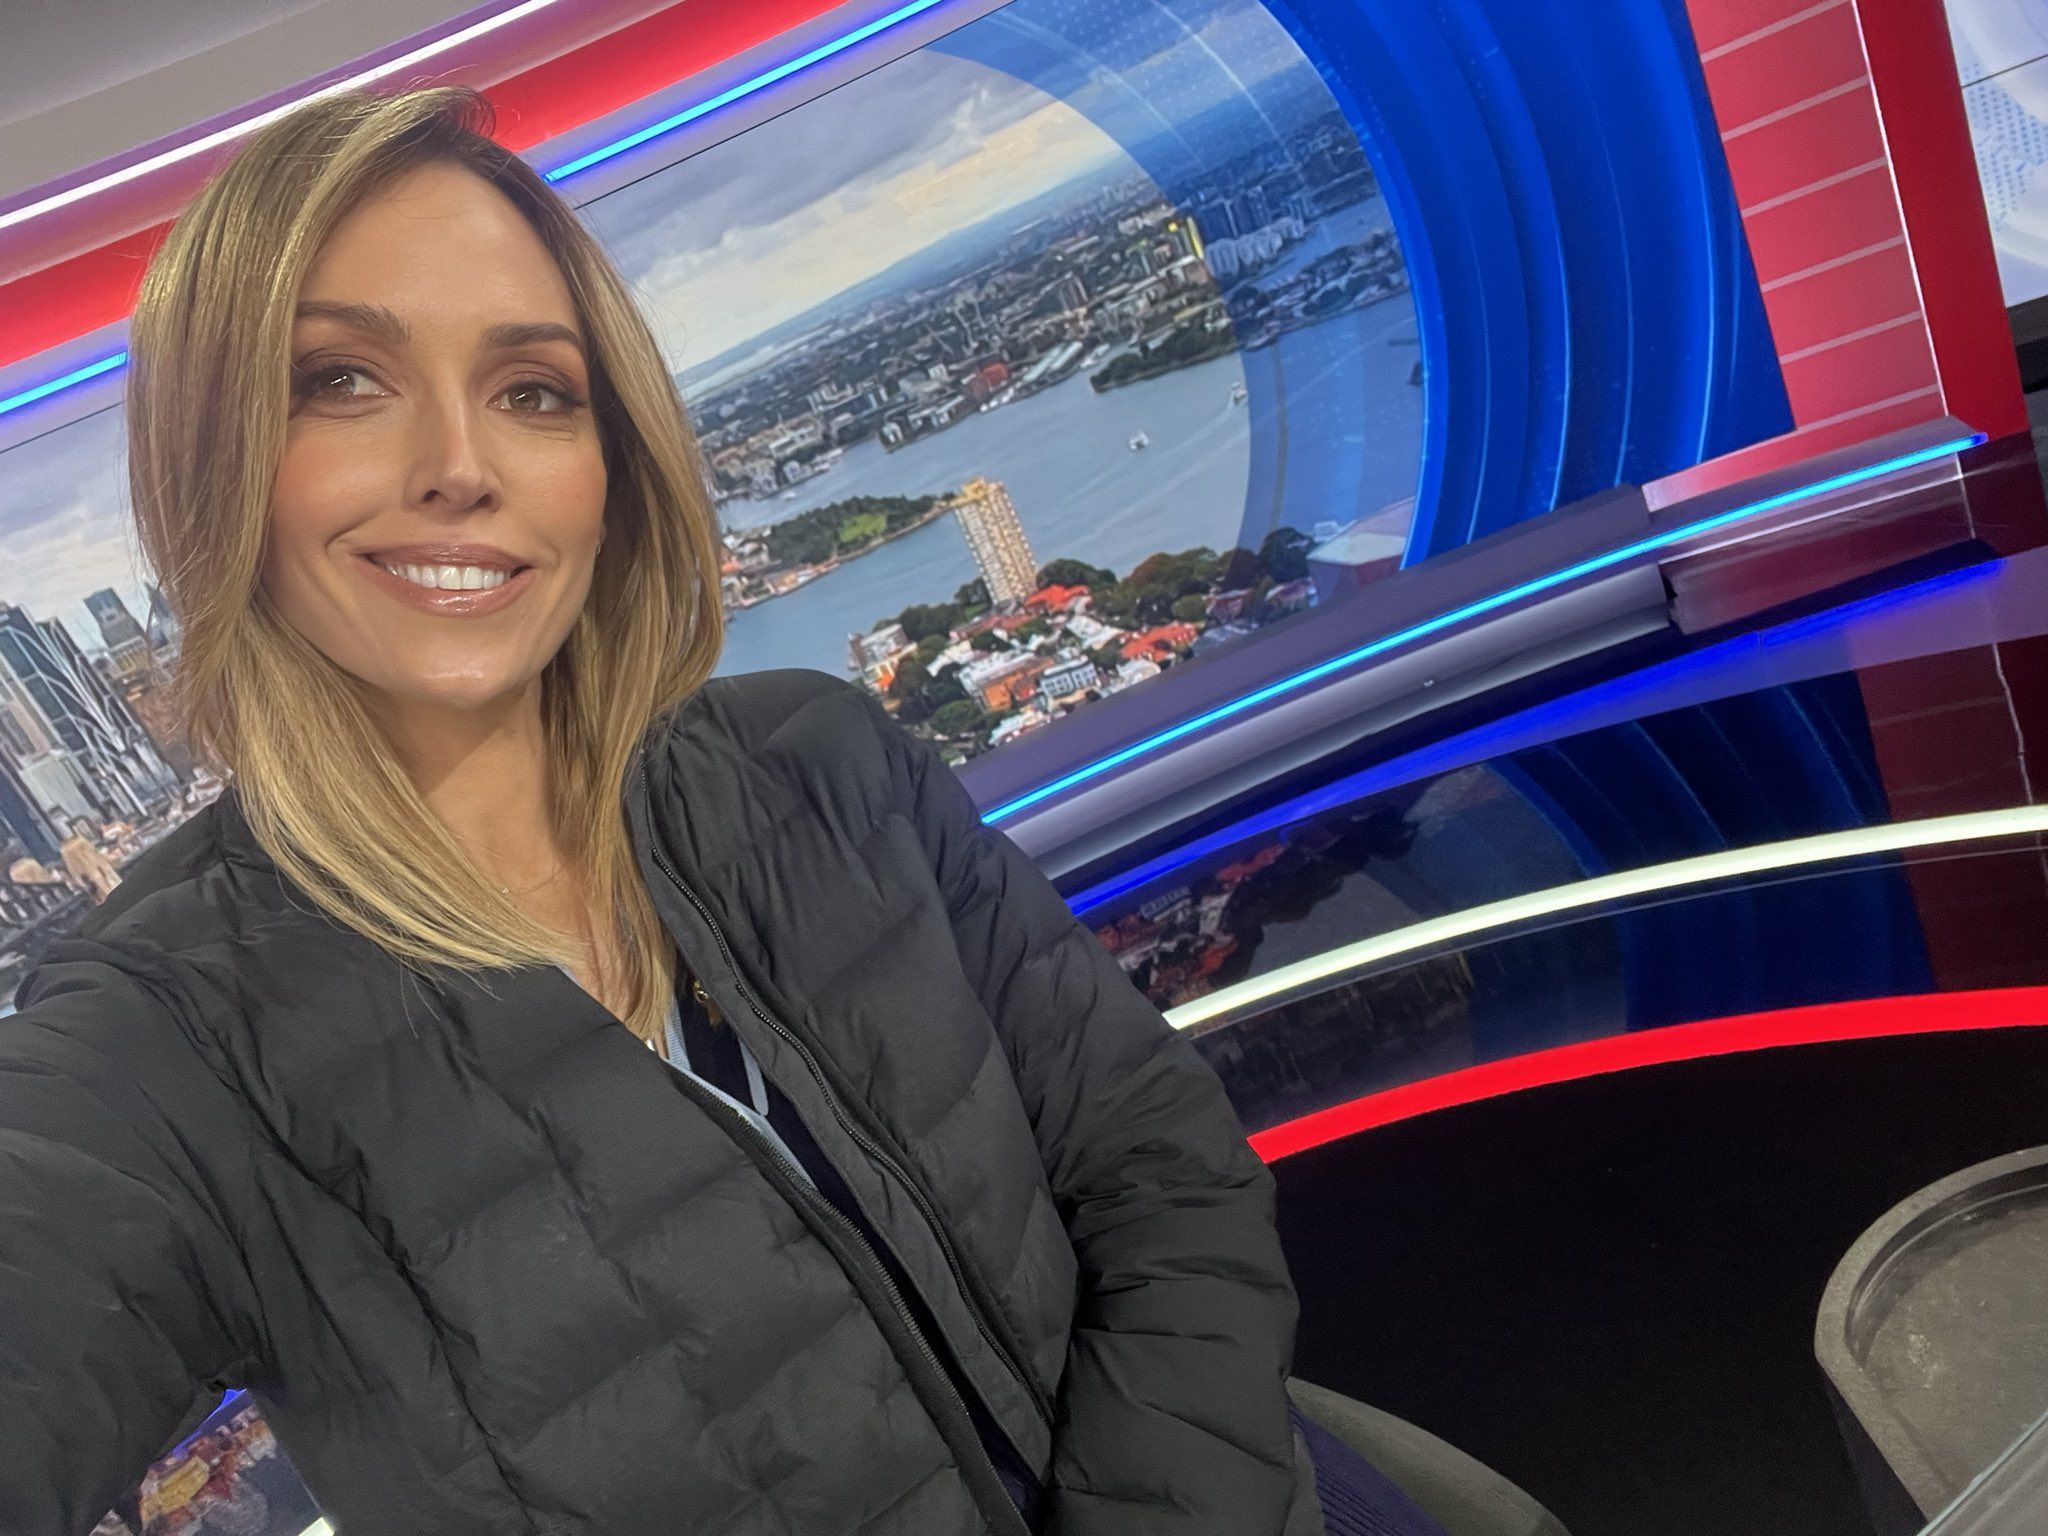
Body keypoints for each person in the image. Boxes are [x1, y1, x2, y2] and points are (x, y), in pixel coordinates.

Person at [0, 85, 1448, 1536]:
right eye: (340, 380)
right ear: (211, 464)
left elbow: (1160, 1166)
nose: (461, 465)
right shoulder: (164, 1040)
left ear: (611, 462)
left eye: (533, 391)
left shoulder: (820, 759)